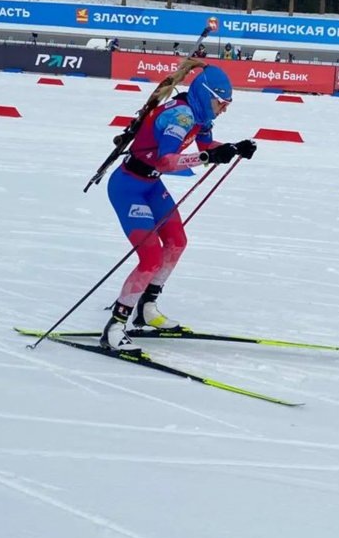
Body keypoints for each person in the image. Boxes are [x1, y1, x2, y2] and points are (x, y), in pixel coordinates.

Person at [102, 66, 257, 352]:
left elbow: (207, 144)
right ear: (204, 94)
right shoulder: (180, 117)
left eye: (227, 106)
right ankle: (114, 326)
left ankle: (147, 307)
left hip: (151, 187)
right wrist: (207, 156)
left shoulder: (200, 114)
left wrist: (234, 148)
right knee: (150, 257)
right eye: (220, 104)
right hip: (128, 187)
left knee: (177, 242)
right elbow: (166, 161)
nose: (223, 110)